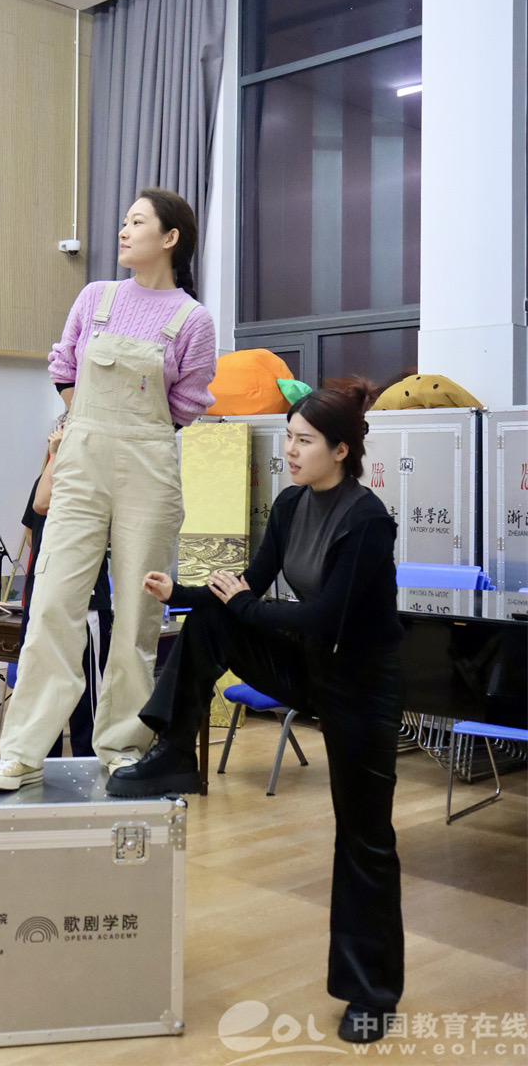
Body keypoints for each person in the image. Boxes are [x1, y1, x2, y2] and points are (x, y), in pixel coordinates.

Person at [107, 384, 405, 1045]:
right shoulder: (293, 503)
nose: (290, 451)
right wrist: (183, 592)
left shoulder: (366, 520)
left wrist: (237, 604)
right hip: (309, 666)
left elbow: (324, 617)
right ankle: (175, 753)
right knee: (212, 619)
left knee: (364, 838)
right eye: (288, 438)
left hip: (361, 689)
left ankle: (372, 994)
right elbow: (251, 584)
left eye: (303, 441)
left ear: (341, 450)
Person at [0, 187, 216, 790]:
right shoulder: (95, 298)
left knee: (137, 615)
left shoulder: (194, 320)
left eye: (137, 222)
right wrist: (87, 422)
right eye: (125, 221)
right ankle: (23, 752)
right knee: (52, 603)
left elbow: (185, 406)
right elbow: (64, 367)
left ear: (170, 238)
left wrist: (130, 430)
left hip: (149, 472)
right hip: (81, 465)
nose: (123, 230)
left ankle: (122, 746)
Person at [19, 422, 111, 758]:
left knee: (86, 696)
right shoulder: (46, 476)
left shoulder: (93, 476)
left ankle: (89, 765)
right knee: (43, 688)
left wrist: (57, 454)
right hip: (43, 597)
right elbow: (33, 528)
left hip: (85, 601)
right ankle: (43, 765)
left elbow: (43, 504)